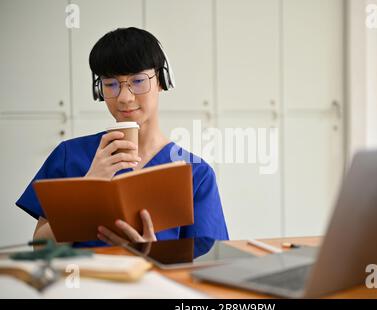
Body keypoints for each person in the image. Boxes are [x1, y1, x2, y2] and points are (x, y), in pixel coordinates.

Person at [15, 27, 229, 248]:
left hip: (153, 283)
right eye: (111, 84)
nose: (124, 98)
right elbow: (40, 246)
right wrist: (88, 188)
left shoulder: (195, 172)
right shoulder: (68, 156)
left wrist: (153, 255)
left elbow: (208, 261)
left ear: (162, 81)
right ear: (99, 90)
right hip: (83, 281)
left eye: (137, 81)